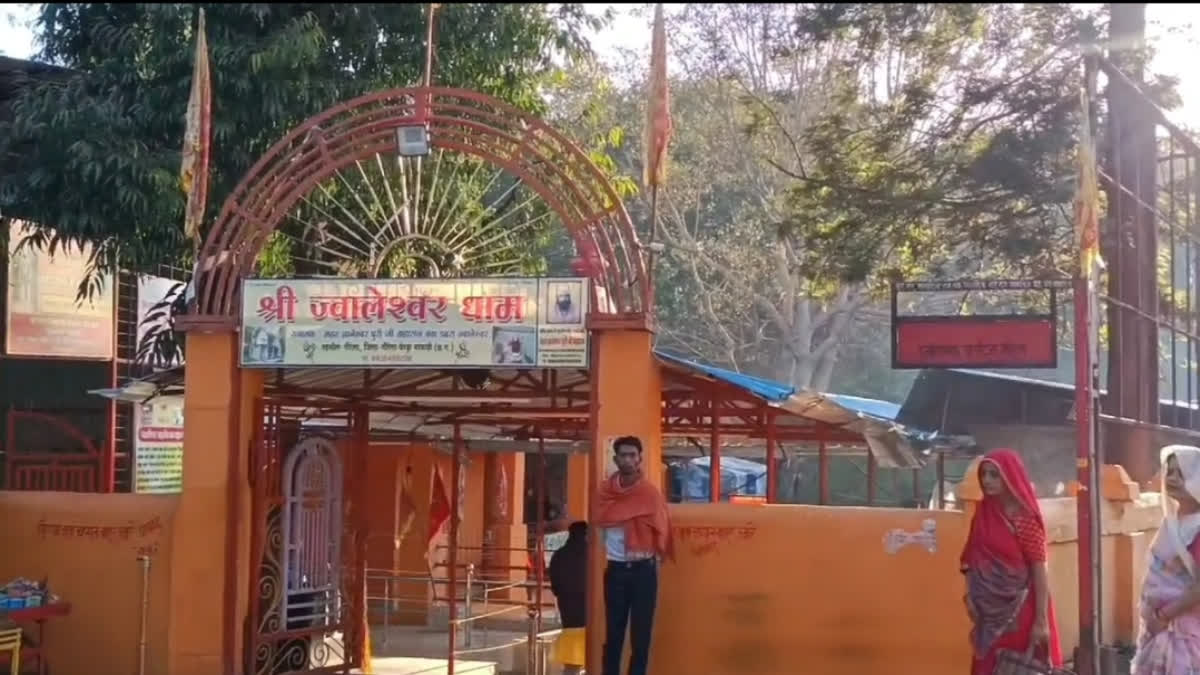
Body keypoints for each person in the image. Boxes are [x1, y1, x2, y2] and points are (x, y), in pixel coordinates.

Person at [960, 448, 1062, 675]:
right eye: (984, 474)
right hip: (988, 613)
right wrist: (970, 597)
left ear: (1010, 477)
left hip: (1021, 610)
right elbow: (970, 559)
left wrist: (1040, 621)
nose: (987, 480)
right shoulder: (983, 513)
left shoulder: (1023, 518)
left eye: (994, 475)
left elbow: (1039, 566)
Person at [593, 436, 673, 675]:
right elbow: (599, 522)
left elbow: (662, 526)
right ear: (616, 459)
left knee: (641, 635)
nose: (628, 459)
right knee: (613, 633)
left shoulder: (650, 494)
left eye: (632, 455)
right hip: (616, 569)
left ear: (639, 460)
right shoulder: (604, 492)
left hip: (643, 570)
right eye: (623, 455)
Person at [1132, 445, 1200, 674]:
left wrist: (1163, 616)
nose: (1172, 478)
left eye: (1181, 473)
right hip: (1157, 627)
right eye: (1169, 472)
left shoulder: (1197, 528)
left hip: (1184, 632)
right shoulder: (1171, 522)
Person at [549, 521, 589, 675]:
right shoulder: (592, 554)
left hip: (568, 612)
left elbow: (555, 585)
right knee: (591, 655)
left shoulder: (559, 554)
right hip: (589, 612)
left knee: (572, 659)